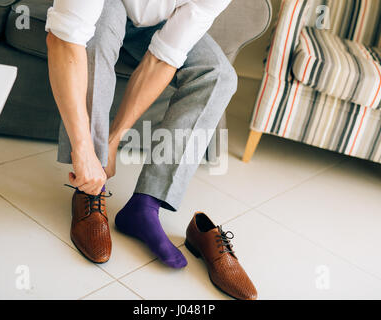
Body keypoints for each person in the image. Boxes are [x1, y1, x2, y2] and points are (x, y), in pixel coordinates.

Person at [45, 0, 237, 268]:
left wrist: (113, 141)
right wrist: (84, 148)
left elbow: (163, 57)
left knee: (218, 74)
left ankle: (144, 206)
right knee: (96, 40)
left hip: (157, 19)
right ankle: (90, 188)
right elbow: (65, 40)